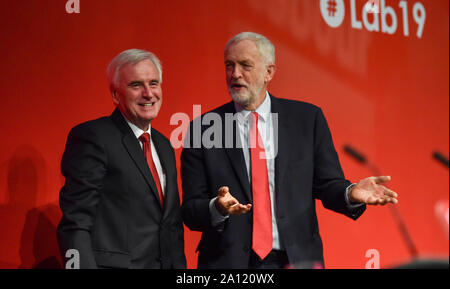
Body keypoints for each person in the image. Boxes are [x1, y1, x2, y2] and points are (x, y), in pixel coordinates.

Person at [181, 32, 398, 269]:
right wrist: (217, 207)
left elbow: (327, 184)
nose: (235, 74)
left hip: (294, 260)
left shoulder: (306, 119)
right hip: (228, 264)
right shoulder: (204, 128)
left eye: (245, 65)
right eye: (229, 65)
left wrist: (351, 192)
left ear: (269, 72)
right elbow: (192, 209)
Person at [57, 49, 186, 269]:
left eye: (153, 83)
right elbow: (75, 223)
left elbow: (169, 226)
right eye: (136, 85)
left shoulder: (164, 146)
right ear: (115, 94)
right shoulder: (94, 137)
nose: (148, 93)